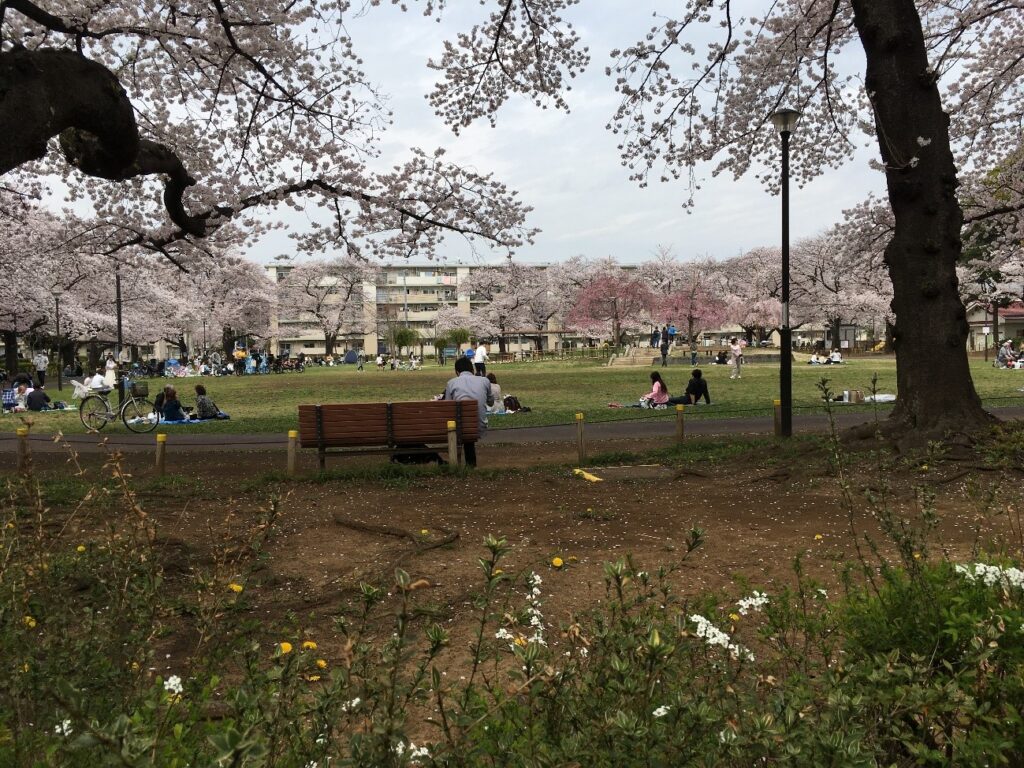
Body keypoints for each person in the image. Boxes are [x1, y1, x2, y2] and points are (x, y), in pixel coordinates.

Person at [442, 356, 493, 467]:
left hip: (460, 428)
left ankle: (461, 464)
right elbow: (491, 402)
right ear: (472, 370)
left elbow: (447, 406)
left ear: (457, 371)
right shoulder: (485, 381)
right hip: (478, 425)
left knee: (461, 422)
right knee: (467, 423)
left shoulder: (451, 383)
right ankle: (471, 464)